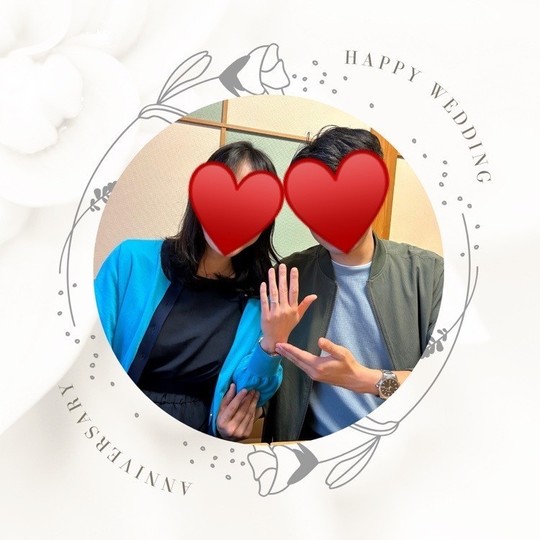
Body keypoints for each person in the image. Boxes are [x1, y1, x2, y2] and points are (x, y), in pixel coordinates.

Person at [94, 141, 316, 441]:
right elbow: (87, 356)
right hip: (115, 429)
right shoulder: (130, 261)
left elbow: (251, 395)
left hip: (198, 444)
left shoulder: (261, 297)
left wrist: (272, 343)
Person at [262, 127, 444, 442]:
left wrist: (365, 379)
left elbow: (449, 382)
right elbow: (256, 379)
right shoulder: (288, 276)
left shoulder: (427, 274)